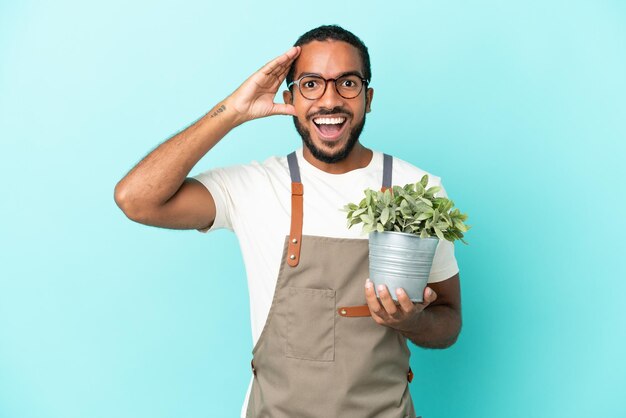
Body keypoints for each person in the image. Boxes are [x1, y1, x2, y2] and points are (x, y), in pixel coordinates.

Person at [114, 24, 462, 418]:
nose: (330, 101)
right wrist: (234, 110)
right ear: (289, 97)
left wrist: (412, 321)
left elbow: (448, 321)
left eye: (347, 83)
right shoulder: (254, 187)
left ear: (368, 97)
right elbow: (136, 199)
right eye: (311, 84)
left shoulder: (417, 190)